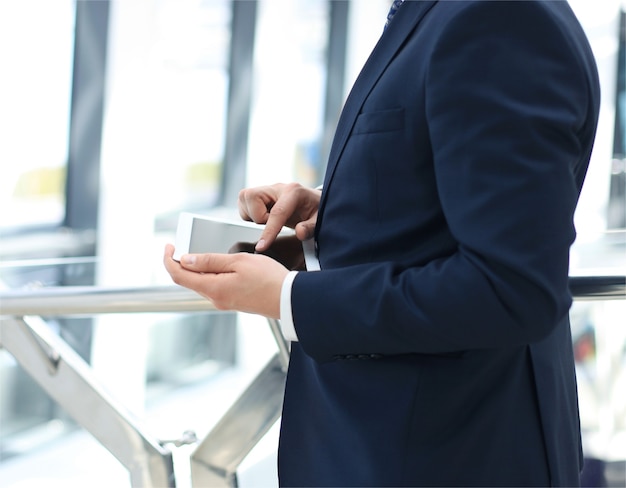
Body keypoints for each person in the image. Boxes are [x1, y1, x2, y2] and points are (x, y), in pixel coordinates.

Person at [164, 1, 601, 486]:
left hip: (446, 455)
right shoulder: (451, 14)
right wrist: (338, 206)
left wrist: (288, 297)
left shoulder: (497, 18)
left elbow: (509, 288)